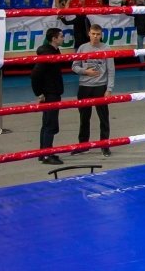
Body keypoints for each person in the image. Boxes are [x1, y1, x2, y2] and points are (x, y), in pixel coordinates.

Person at [71, 24, 115, 156]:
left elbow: (111, 70)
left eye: (98, 34)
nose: (95, 37)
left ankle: (104, 145)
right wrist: (85, 72)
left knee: (104, 118)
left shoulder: (106, 48)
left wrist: (109, 89)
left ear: (101, 35)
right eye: (93, 34)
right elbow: (74, 66)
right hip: (84, 87)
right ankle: (83, 145)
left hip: (100, 87)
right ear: (89, 33)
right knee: (84, 118)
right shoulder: (82, 48)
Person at [31, 27, 65, 165]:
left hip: (54, 91)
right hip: (50, 94)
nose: (63, 38)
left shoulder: (55, 51)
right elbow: (35, 74)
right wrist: (39, 93)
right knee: (50, 124)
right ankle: (46, 155)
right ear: (54, 39)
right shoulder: (47, 55)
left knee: (48, 123)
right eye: (61, 36)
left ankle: (44, 152)